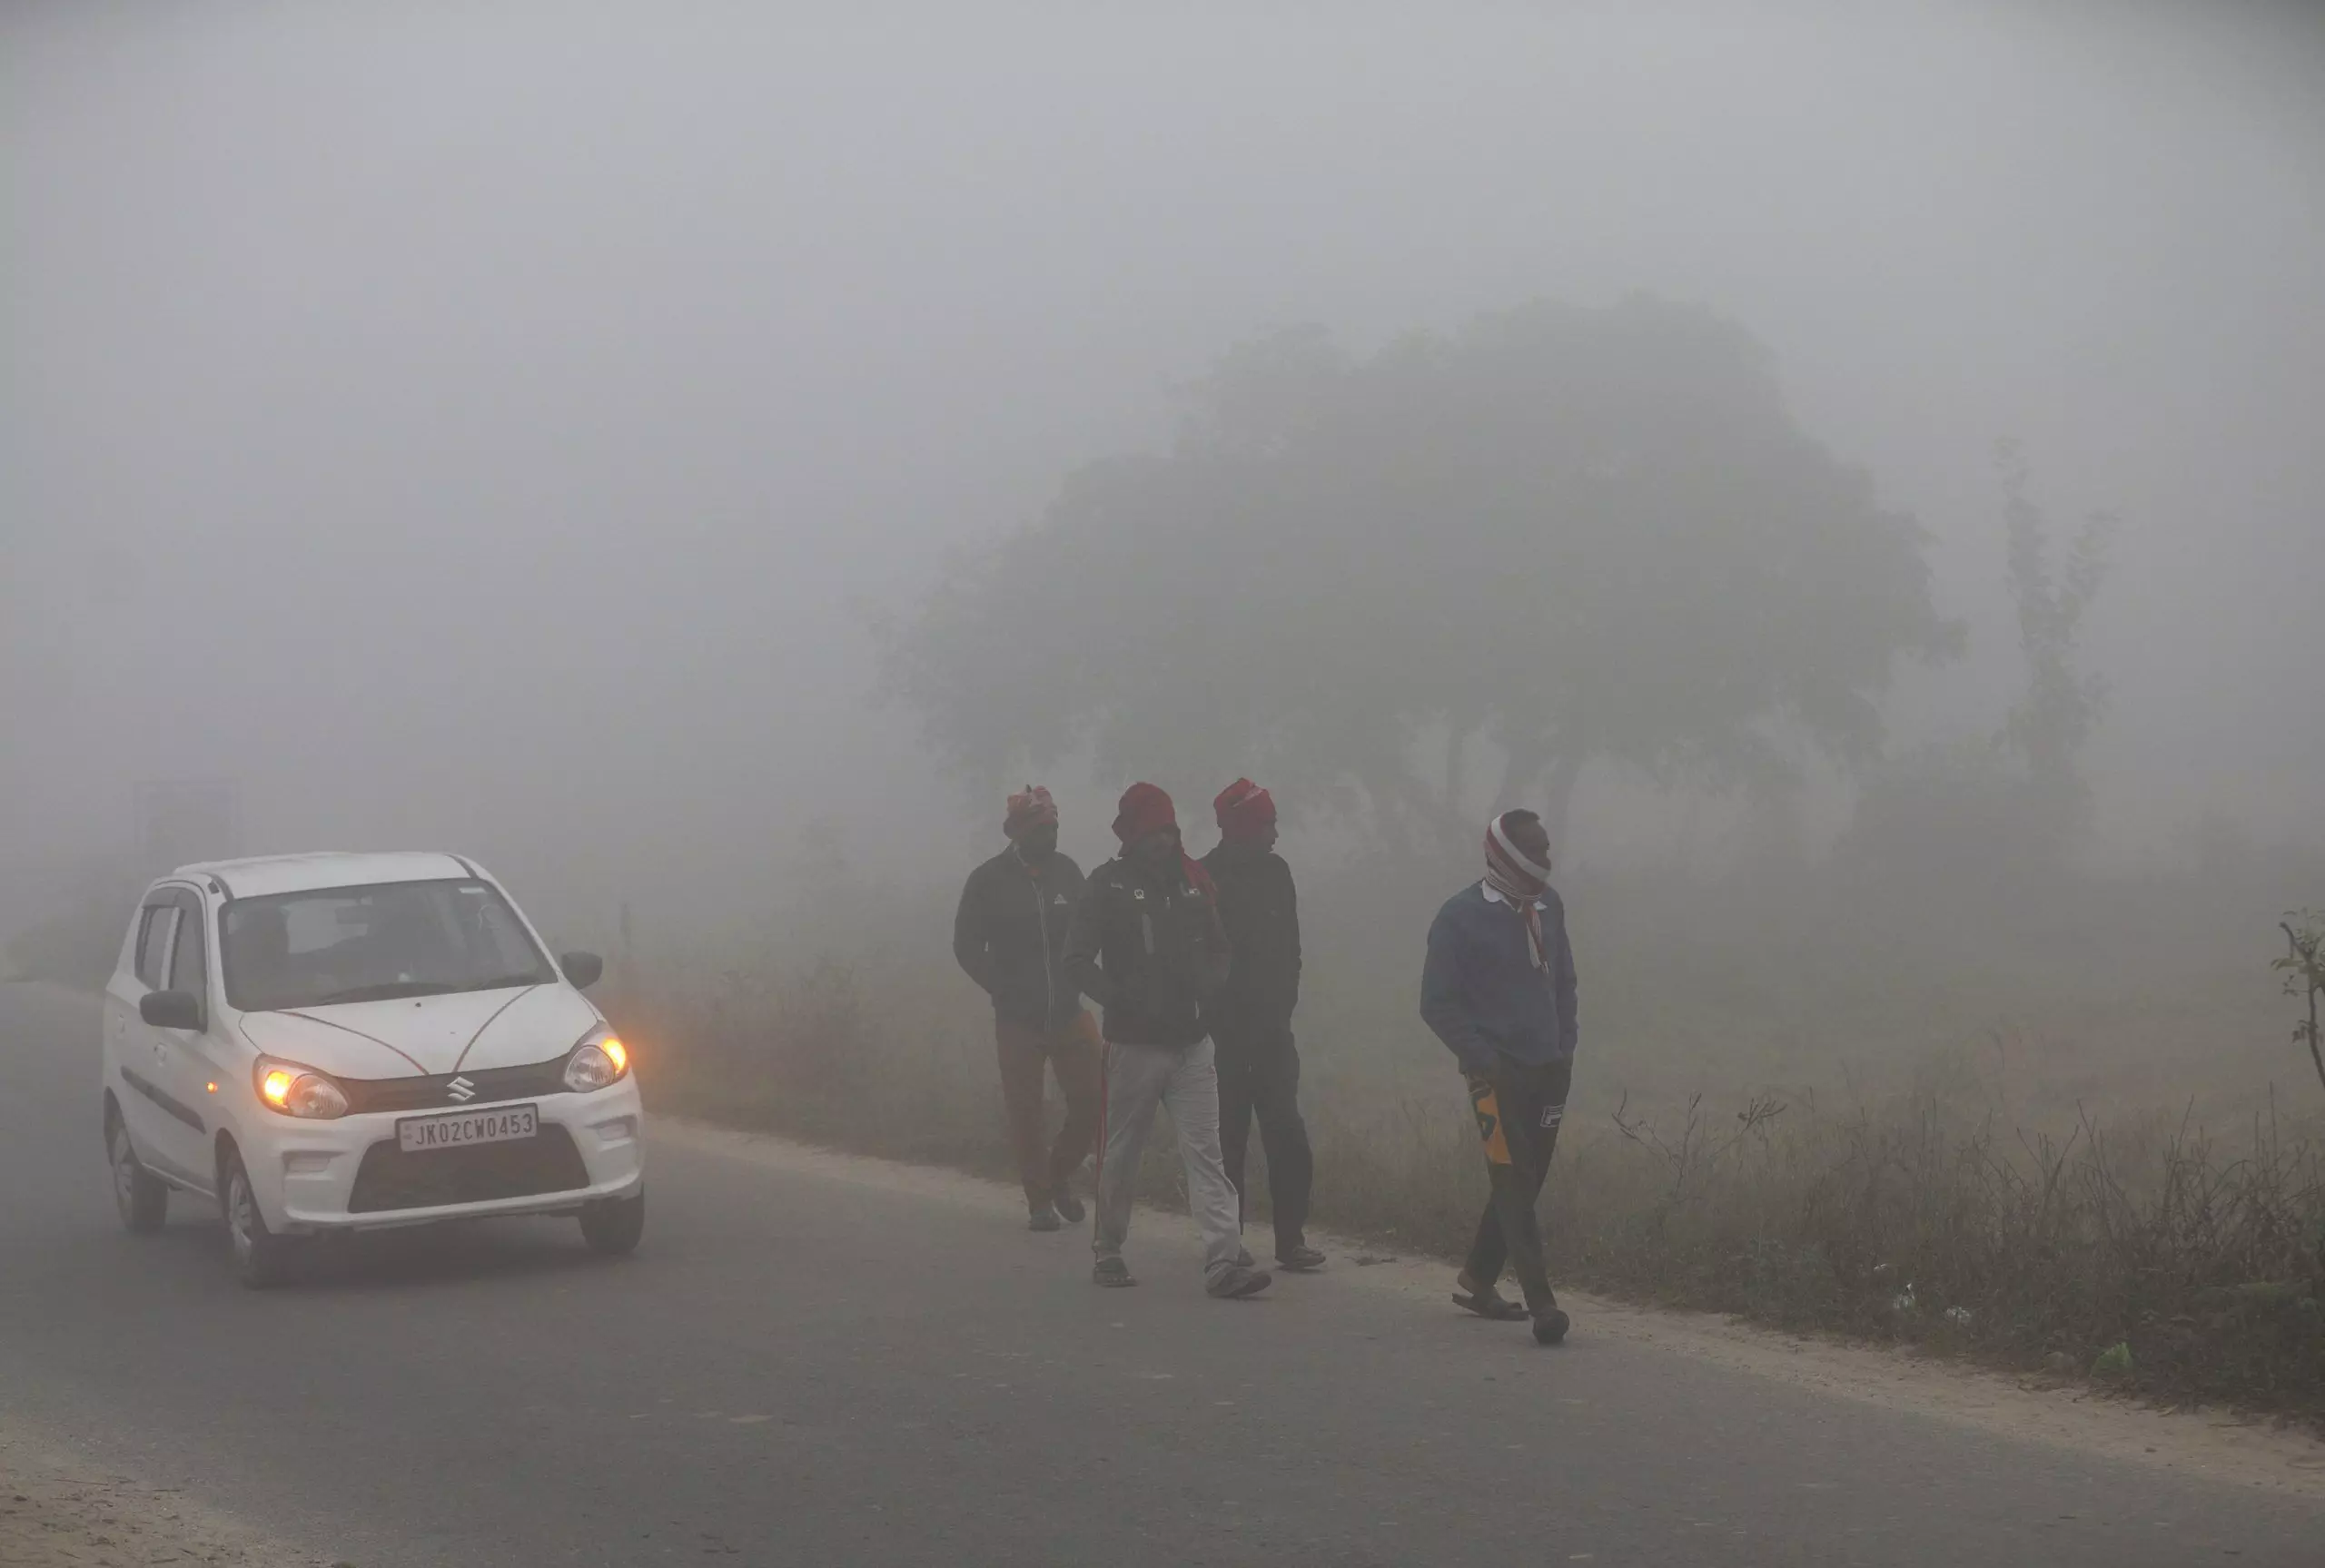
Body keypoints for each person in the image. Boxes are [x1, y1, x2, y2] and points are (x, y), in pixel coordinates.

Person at [1065, 783, 1271, 1298]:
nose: (1164, 840)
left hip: (1192, 1044)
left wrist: (1211, 985)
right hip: (1133, 1046)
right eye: (1153, 831)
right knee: (1122, 1153)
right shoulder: (1105, 886)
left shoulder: (1194, 884)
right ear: (1132, 835)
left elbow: (1222, 949)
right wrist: (1120, 998)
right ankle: (1108, 1249)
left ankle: (1224, 1259)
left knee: (1207, 1154)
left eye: (1170, 830)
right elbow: (1074, 962)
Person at [1420, 809, 1579, 1346]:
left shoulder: (1549, 907)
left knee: (1529, 1177)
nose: (1549, 857)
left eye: (1548, 845)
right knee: (1511, 1179)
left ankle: (1478, 1277)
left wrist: (1566, 1047)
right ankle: (1544, 1304)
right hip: (1493, 1076)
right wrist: (1481, 1058)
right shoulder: (1458, 917)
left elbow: (1564, 983)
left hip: (1550, 1068)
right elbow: (1436, 1004)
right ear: (1508, 855)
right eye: (1537, 848)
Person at [952, 785, 1103, 1232]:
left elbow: (1089, 931)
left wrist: (1092, 977)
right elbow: (965, 945)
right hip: (1017, 1017)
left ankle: (1058, 1175)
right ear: (1017, 832)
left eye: (1054, 826)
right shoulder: (987, 880)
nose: (1051, 835)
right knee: (1026, 1111)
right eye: (1041, 828)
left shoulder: (1070, 873)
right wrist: (1001, 987)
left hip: (1069, 1011)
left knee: (1095, 1100)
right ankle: (1039, 1201)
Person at [1201, 779, 1323, 1272]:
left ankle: (1290, 1240)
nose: (1275, 834)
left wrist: (1284, 1004)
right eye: (1267, 824)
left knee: (1287, 1134)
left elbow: (1292, 948)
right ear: (1243, 829)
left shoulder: (1279, 872)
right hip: (1222, 1035)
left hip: (1273, 1031)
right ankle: (1231, 1243)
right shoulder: (1203, 878)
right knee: (1227, 1140)